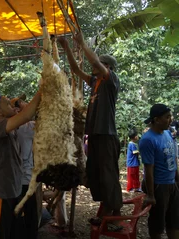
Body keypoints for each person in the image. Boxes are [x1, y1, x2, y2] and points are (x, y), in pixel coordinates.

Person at [59, 34, 122, 229]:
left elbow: (93, 59)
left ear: (107, 68)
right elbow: (76, 70)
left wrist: (82, 44)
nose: (94, 68)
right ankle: (105, 213)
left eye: (99, 65)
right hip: (95, 135)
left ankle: (115, 217)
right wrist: (66, 46)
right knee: (96, 175)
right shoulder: (95, 83)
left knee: (108, 175)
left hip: (106, 135)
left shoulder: (110, 81)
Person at [0, 89, 41, 239]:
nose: (11, 103)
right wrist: (42, 89)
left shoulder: (12, 130)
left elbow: (29, 117)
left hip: (13, 192)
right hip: (1, 193)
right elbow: (27, 115)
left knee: (11, 233)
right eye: (6, 103)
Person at [139, 104, 179, 239]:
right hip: (159, 186)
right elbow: (148, 169)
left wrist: (177, 179)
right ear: (156, 119)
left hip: (172, 184)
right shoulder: (147, 140)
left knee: (174, 222)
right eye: (167, 117)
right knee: (157, 225)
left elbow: (173, 158)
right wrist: (151, 195)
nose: (170, 119)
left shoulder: (168, 134)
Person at [10, 96, 38, 239]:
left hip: (14, 180)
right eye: (17, 104)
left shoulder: (12, 126)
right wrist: (26, 107)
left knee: (16, 216)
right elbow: (37, 116)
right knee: (30, 217)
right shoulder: (26, 127)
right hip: (25, 181)